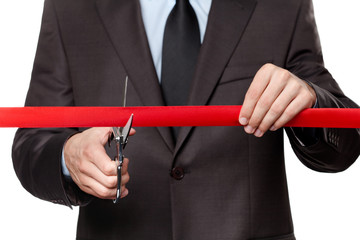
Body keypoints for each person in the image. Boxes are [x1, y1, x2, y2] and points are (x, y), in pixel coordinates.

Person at [12, 0, 360, 239]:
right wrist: (67, 157)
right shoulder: (72, 7)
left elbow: (345, 139)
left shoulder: (279, 5)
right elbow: (32, 141)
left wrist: (309, 98)